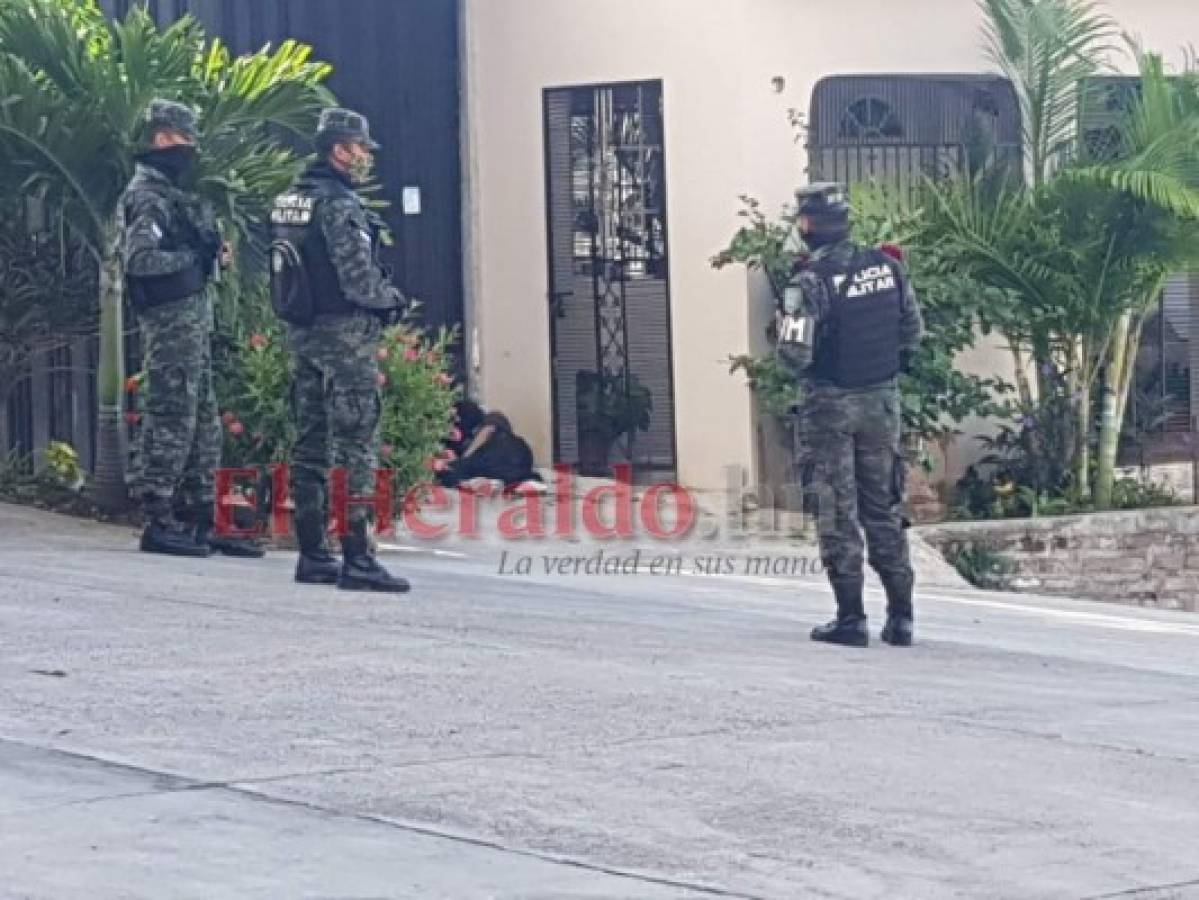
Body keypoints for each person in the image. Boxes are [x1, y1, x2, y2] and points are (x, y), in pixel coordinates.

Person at [776, 182, 924, 647]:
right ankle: (901, 618)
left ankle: (851, 617)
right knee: (883, 507)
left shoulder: (808, 283)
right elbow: (912, 333)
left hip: (830, 407)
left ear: (807, 226)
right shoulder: (889, 267)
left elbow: (794, 356)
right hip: (882, 403)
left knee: (837, 511)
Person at [269, 107, 409, 592]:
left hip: (303, 332)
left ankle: (312, 552)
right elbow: (356, 277)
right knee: (355, 444)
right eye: (359, 149)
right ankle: (358, 557)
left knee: (309, 441)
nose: (363, 157)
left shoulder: (290, 199)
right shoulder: (340, 205)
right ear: (339, 149)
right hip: (344, 336)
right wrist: (390, 300)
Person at [121, 99, 263, 559]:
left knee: (203, 421)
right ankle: (159, 517)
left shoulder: (175, 195)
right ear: (162, 138)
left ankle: (203, 516)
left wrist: (212, 257)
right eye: (184, 140)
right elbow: (139, 261)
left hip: (191, 324)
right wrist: (193, 258)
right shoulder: (147, 196)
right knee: (170, 415)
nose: (190, 149)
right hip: (169, 324)